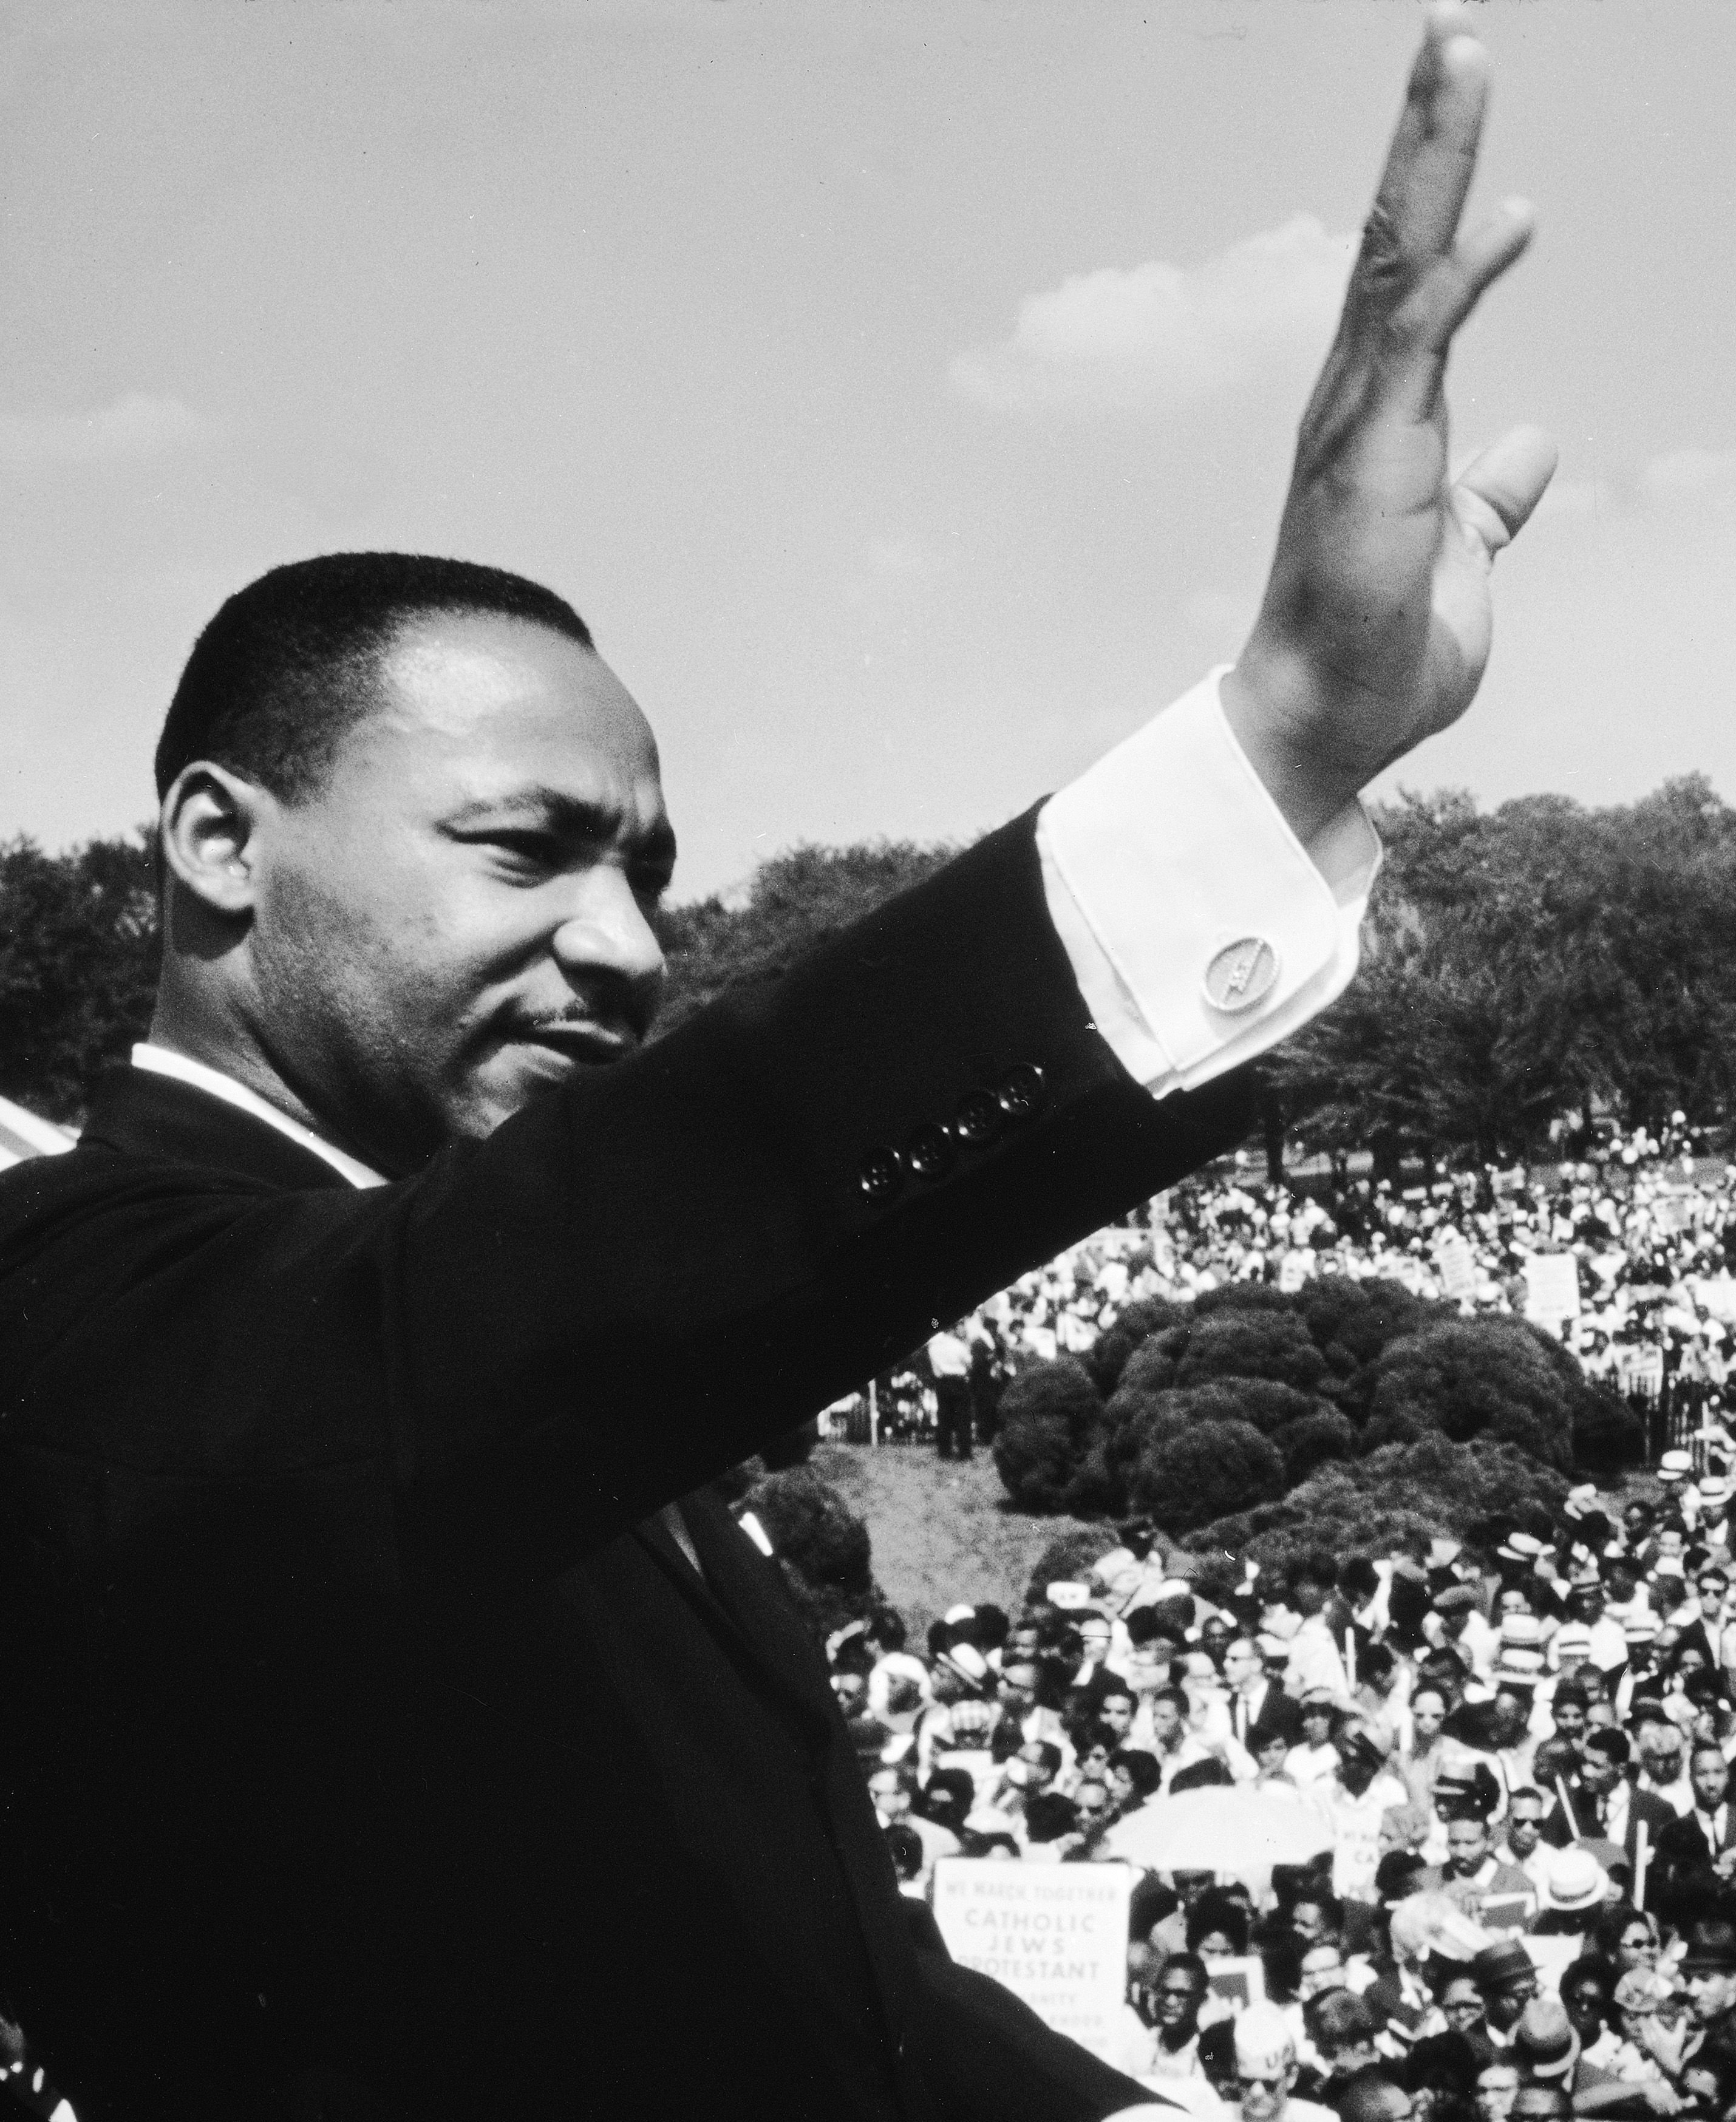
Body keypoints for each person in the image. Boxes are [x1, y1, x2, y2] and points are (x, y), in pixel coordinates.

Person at [0, 12, 1559, 2118]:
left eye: (650, 873)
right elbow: (486, 1321)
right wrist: (1277, 740)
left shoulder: (534, 1399)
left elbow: (848, 2009)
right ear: (216, 843)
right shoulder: (81, 1310)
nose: (629, 947)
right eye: (527, 850)